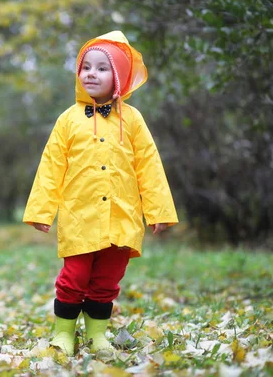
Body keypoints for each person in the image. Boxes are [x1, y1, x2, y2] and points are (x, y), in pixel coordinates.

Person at [22, 31, 178, 356]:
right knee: (74, 277)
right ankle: (63, 334)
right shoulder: (68, 120)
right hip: (81, 217)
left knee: (107, 280)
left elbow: (149, 165)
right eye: (85, 67)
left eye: (101, 68)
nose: (91, 73)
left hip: (122, 219)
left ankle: (96, 335)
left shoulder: (133, 120)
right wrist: (40, 210)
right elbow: (51, 166)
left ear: (118, 76)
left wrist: (159, 211)